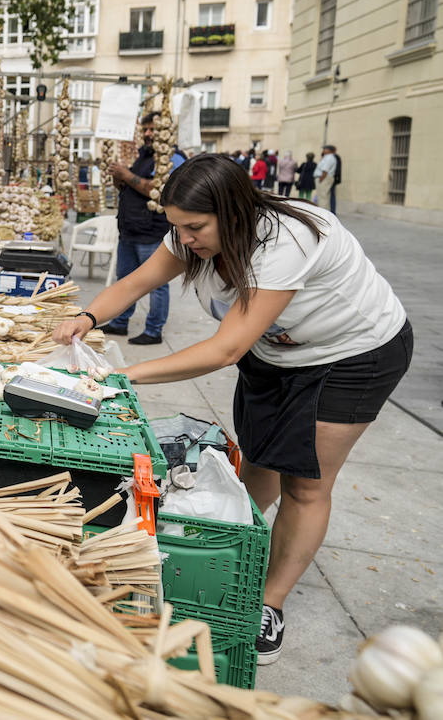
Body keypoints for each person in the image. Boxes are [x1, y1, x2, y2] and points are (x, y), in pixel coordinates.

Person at [53, 153, 410, 665]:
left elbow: (224, 349)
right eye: (177, 228)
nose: (186, 239)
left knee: (306, 483)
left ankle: (269, 602)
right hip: (276, 352)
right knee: (260, 455)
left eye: (195, 227)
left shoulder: (285, 241)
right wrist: (87, 316)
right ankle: (231, 542)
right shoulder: (189, 234)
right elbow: (135, 283)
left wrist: (122, 375)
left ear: (234, 212)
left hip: (353, 354)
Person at [103, 111, 185, 345]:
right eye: (146, 129)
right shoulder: (144, 156)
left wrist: (127, 175)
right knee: (125, 278)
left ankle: (153, 330)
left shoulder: (172, 157)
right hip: (129, 231)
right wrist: (120, 180)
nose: (148, 133)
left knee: (156, 284)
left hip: (152, 232)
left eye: (153, 129)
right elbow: (132, 188)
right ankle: (120, 322)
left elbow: (160, 190)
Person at [315, 144, 339, 213]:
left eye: (325, 149)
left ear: (329, 150)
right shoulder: (327, 157)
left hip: (324, 177)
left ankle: (323, 213)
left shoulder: (330, 157)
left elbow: (325, 170)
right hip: (323, 177)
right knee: (322, 197)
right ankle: (323, 212)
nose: (323, 150)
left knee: (323, 197)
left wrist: (321, 179)